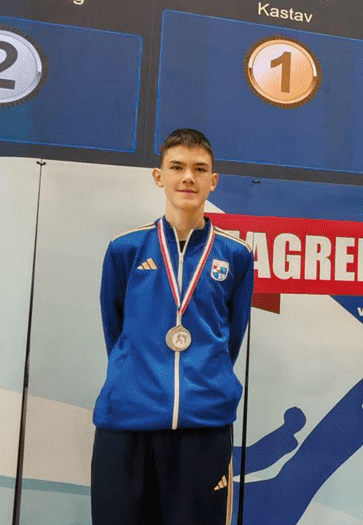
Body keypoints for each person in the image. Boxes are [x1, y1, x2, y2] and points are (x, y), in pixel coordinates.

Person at [91, 128, 254, 524]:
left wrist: (203, 378)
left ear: (213, 181)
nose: (188, 178)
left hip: (204, 427)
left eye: (200, 169)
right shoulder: (126, 248)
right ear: (158, 176)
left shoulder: (236, 255)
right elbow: (115, 329)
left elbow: (231, 337)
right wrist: (137, 377)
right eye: (177, 167)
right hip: (128, 424)